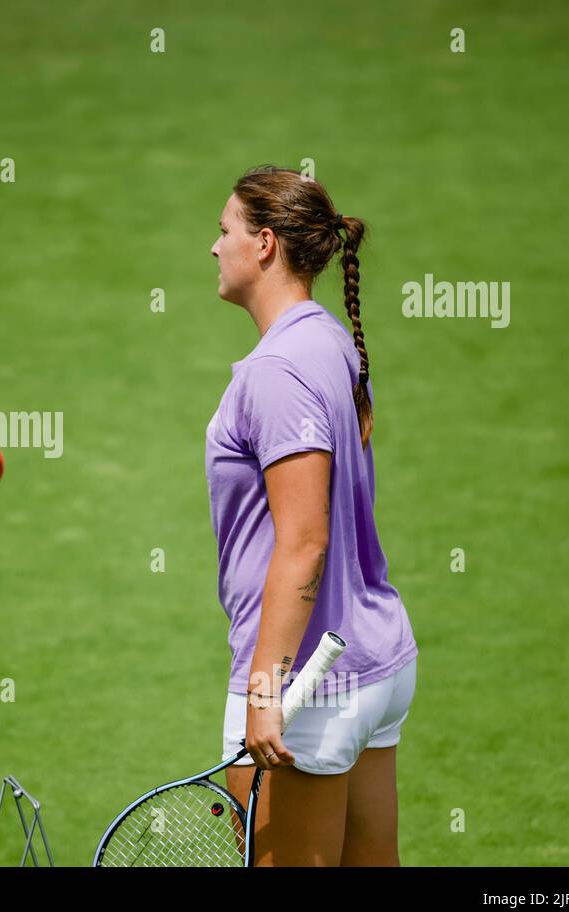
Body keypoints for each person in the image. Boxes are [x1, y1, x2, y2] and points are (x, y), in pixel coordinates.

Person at [205, 166, 418, 865]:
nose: (215, 247)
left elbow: (304, 541)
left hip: (304, 689)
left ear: (264, 243)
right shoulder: (329, 339)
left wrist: (264, 690)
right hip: (375, 661)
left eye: (225, 229)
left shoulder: (274, 371)